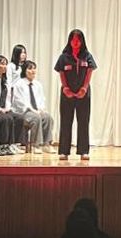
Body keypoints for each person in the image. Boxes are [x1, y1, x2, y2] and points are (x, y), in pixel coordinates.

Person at [55, 29, 97, 160]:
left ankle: (84, 151)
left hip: (83, 94)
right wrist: (66, 88)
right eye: (73, 39)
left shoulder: (87, 56)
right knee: (66, 122)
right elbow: (61, 73)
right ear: (69, 41)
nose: (75, 42)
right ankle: (64, 151)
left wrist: (84, 88)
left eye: (78, 39)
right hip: (67, 94)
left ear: (82, 41)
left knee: (83, 122)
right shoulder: (64, 57)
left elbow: (89, 72)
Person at [12, 61, 54, 154]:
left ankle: (46, 144)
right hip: (23, 111)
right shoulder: (19, 84)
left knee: (48, 117)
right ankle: (36, 145)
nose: (33, 71)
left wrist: (41, 109)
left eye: (34, 68)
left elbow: (42, 99)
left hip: (36, 110)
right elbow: (19, 101)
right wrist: (32, 110)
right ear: (24, 70)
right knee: (36, 118)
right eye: (30, 69)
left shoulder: (37, 84)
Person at [0, 55, 24, 155]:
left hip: (4, 109)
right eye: (2, 64)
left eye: (6, 64)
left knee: (19, 118)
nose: (5, 66)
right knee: (6, 119)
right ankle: (2, 145)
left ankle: (14, 144)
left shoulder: (6, 81)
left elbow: (8, 98)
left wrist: (7, 108)